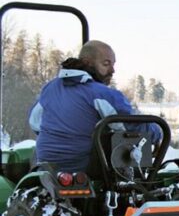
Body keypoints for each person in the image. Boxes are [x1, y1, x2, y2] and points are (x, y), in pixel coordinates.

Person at [29, 40, 162, 172]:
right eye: (106, 64)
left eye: (113, 64)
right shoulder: (101, 94)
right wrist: (157, 133)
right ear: (88, 62)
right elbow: (132, 126)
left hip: (47, 168)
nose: (112, 70)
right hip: (85, 169)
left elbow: (35, 122)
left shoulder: (50, 88)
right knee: (122, 149)